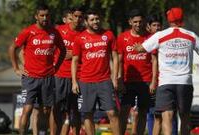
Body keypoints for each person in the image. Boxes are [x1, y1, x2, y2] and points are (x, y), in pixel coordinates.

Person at [134, 7, 199, 135]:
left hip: (166, 83)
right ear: (182, 19)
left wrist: (137, 46)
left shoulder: (160, 35)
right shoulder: (191, 35)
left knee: (167, 116)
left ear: (168, 20)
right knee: (185, 117)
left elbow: (141, 49)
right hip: (185, 82)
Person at [9, 4, 64, 135]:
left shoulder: (54, 32)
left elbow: (63, 50)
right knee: (27, 109)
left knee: (45, 110)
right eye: (42, 15)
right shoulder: (28, 32)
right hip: (30, 78)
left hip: (47, 78)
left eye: (47, 15)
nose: (45, 18)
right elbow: (12, 48)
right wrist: (16, 68)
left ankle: (40, 133)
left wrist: (56, 67)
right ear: (36, 17)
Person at [71, 9, 121, 135]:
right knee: (88, 114)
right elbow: (75, 61)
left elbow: (115, 57)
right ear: (87, 21)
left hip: (105, 81)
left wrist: (115, 78)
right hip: (86, 82)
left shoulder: (108, 35)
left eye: (97, 19)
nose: (95, 22)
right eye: (92, 19)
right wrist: (74, 82)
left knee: (112, 113)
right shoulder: (80, 38)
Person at [117, 9, 157, 135]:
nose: (138, 24)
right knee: (123, 111)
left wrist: (153, 81)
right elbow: (119, 61)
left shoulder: (150, 38)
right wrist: (119, 80)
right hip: (128, 81)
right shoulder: (122, 38)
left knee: (143, 112)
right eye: (135, 22)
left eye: (140, 21)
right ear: (130, 22)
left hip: (145, 81)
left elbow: (154, 60)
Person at [52, 7, 84, 135]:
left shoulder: (85, 33)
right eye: (75, 16)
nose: (77, 19)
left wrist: (75, 55)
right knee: (57, 109)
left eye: (80, 17)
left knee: (76, 110)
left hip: (79, 76)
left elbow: (90, 53)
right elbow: (49, 48)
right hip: (59, 75)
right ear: (70, 16)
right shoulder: (59, 31)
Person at [145, 14, 178, 135]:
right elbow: (152, 61)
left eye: (159, 25)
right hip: (153, 81)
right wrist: (153, 81)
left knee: (171, 113)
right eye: (154, 25)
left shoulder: (167, 38)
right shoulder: (148, 40)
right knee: (153, 113)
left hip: (168, 80)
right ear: (148, 27)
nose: (157, 28)